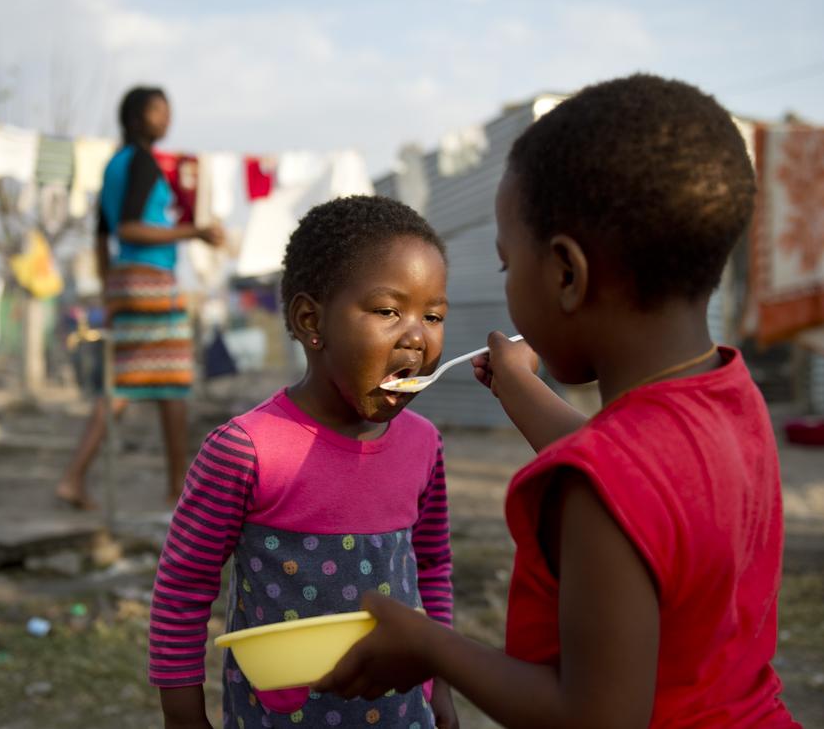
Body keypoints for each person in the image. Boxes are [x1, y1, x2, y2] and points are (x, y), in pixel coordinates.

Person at [316, 75, 799, 727]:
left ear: (567, 273)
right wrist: (521, 388)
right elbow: (649, 481)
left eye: (507, 264)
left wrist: (428, 644)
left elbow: (592, 718)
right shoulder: (730, 394)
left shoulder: (597, 493)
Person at [150, 196, 459, 729]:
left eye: (432, 316)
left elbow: (432, 567)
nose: (416, 336)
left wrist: (442, 687)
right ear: (310, 320)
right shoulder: (245, 450)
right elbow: (184, 584)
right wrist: (183, 714)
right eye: (388, 311)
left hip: (402, 713)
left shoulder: (424, 445)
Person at [55, 86, 224, 511]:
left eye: (167, 110)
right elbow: (129, 228)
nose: (166, 118)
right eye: (157, 111)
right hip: (152, 282)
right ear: (135, 118)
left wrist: (109, 289)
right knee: (173, 383)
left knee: (122, 383)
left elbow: (101, 236)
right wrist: (194, 231)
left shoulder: (114, 165)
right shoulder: (144, 162)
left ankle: (74, 477)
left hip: (124, 281)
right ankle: (178, 490)